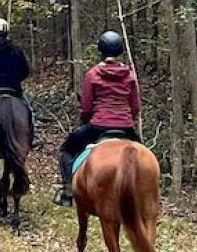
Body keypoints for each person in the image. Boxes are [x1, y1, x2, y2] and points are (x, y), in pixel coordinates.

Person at [54, 30, 141, 207]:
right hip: (125, 127)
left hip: (98, 125)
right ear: (120, 51)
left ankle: (68, 191)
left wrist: (87, 120)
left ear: (100, 50)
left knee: (66, 151)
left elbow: (86, 107)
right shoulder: (130, 75)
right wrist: (127, 120)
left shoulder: (93, 74)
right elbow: (135, 106)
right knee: (144, 157)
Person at [0, 17, 40, 148]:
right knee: (29, 110)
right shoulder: (17, 49)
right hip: (13, 91)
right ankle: (34, 136)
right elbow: (25, 71)